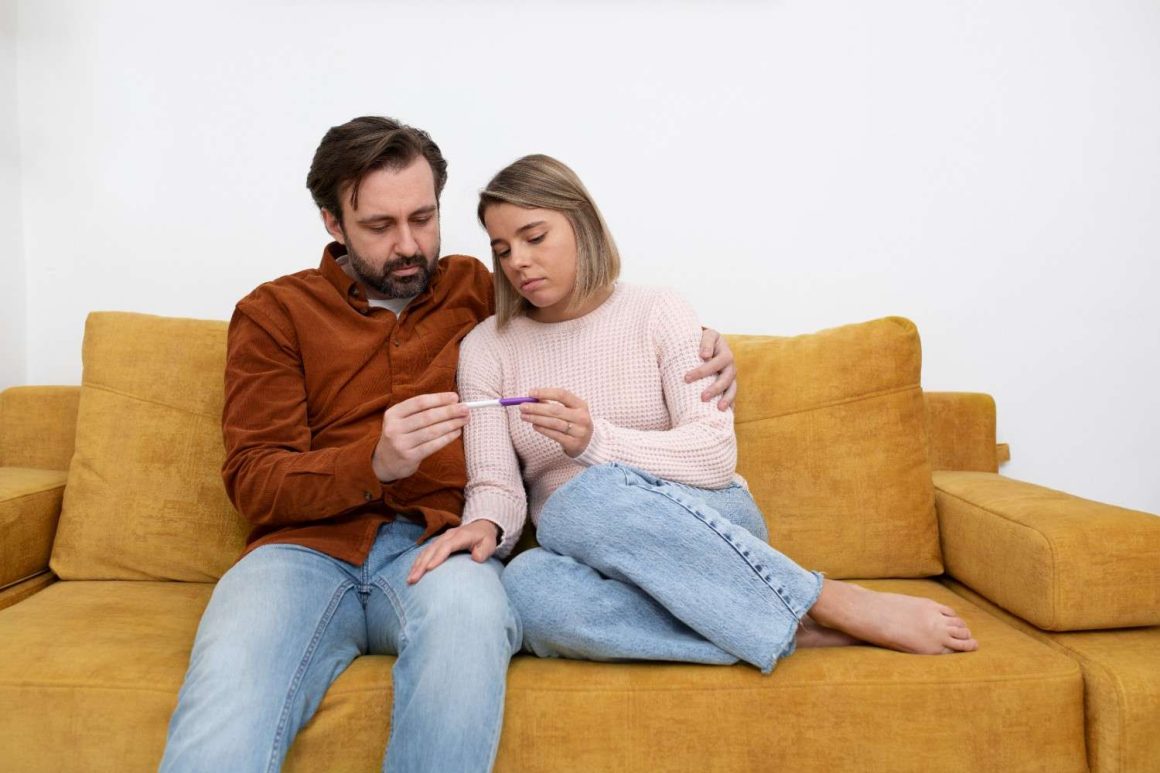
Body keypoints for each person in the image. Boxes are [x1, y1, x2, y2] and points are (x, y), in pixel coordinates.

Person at [159, 118, 738, 773]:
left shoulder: (478, 290)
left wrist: (702, 345)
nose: (409, 245)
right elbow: (253, 479)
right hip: (301, 554)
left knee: (471, 623)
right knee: (228, 703)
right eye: (380, 226)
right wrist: (372, 462)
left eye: (423, 218)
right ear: (333, 222)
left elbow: (586, 317)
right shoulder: (275, 313)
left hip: (441, 547)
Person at [408, 154, 979, 675]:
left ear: (581, 224)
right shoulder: (488, 347)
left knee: (581, 498)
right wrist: (484, 526)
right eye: (502, 249)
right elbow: (496, 485)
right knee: (527, 587)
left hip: (707, 523)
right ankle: (789, 627)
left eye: (534, 237)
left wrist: (595, 442)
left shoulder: (659, 310)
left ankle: (829, 600)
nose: (519, 262)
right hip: (588, 553)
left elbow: (714, 454)